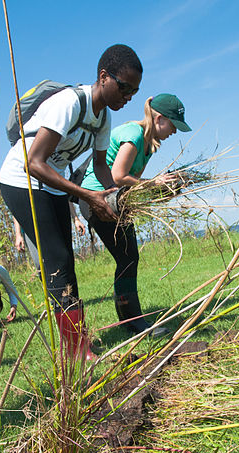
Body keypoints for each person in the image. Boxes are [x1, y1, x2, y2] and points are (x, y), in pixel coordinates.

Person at [0, 44, 142, 360]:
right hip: (22, 181)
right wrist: (87, 195)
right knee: (57, 259)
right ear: (104, 77)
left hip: (53, 184)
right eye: (124, 87)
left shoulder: (102, 118)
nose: (128, 96)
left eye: (134, 91)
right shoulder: (69, 104)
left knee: (65, 263)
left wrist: (114, 198)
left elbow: (102, 166)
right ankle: (76, 349)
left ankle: (76, 343)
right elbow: (33, 162)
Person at [79, 94, 191, 338]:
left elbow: (135, 185)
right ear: (159, 118)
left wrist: (164, 188)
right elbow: (118, 176)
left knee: (128, 257)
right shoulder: (134, 135)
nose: (174, 132)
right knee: (127, 257)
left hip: (114, 199)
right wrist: (154, 182)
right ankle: (134, 324)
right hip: (96, 198)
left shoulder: (148, 145)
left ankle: (132, 322)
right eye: (173, 125)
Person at [12, 205, 87, 272]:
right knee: (39, 264)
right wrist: (18, 234)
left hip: (51, 223)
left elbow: (65, 196)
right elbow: (15, 208)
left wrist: (76, 219)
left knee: (62, 259)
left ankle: (66, 286)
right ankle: (49, 286)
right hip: (28, 228)